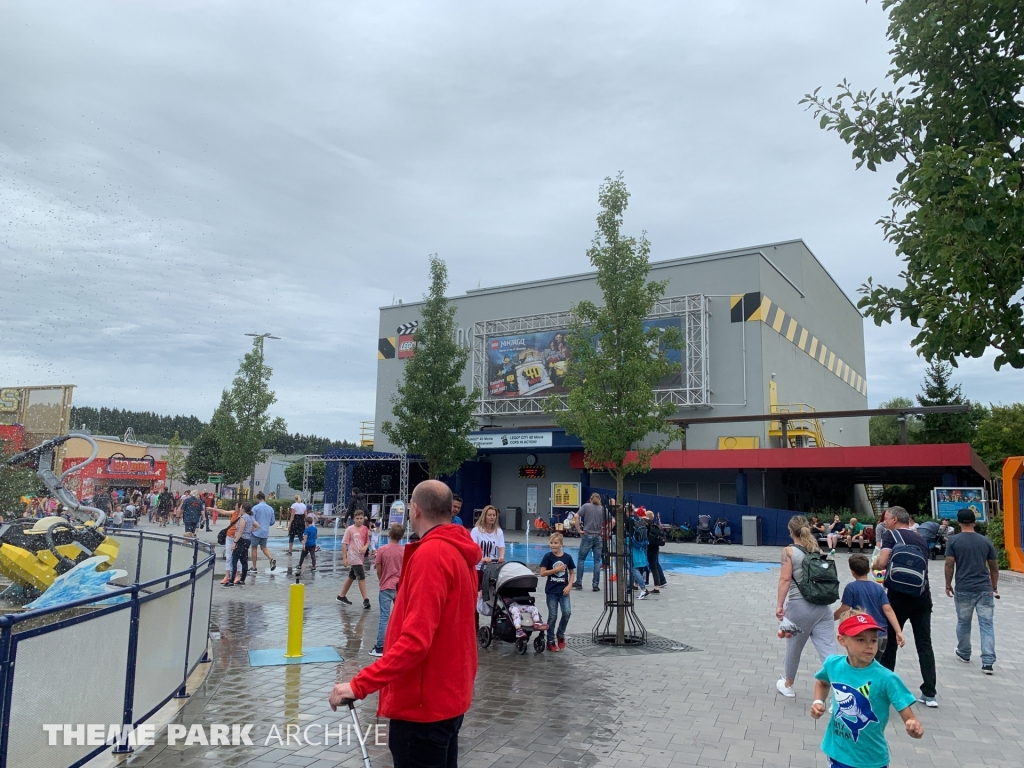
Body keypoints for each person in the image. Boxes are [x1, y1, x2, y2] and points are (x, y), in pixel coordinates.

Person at [329, 480, 480, 768]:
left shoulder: (432, 555)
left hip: (422, 708)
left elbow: (415, 642)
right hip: (448, 698)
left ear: (415, 509)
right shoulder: (461, 554)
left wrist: (360, 684)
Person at [810, 613, 924, 768]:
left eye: (873, 640)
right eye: (860, 639)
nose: (869, 645)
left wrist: (914, 725)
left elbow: (909, 717)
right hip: (837, 752)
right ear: (842, 640)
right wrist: (818, 701)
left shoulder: (887, 678)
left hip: (871, 760)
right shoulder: (833, 664)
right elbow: (823, 682)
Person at [874, 506, 938, 707]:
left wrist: (874, 564)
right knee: (924, 642)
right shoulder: (919, 538)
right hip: (922, 595)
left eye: (886, 518)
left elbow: (883, 562)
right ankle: (929, 693)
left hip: (898, 597)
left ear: (894, 519)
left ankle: (885, 690)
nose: (884, 522)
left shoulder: (890, 535)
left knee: (890, 641)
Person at [775, 515, 837, 698]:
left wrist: (779, 605)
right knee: (829, 651)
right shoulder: (815, 548)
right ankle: (840, 693)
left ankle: (788, 685)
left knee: (793, 648)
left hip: (798, 606)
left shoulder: (788, 551)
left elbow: (785, 579)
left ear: (790, 531)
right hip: (823, 607)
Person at [945, 508, 999, 674]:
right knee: (987, 625)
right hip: (984, 589)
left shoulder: (953, 541)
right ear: (974, 522)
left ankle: (964, 652)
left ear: (959, 522)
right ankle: (988, 661)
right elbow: (994, 567)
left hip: (964, 588)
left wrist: (948, 584)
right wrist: (994, 586)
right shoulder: (985, 541)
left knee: (963, 622)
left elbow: (949, 564)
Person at [833, 554, 905, 657]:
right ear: (868, 569)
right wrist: (898, 631)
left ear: (852, 572)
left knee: (861, 665)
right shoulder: (878, 588)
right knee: (876, 666)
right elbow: (888, 610)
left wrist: (830, 617)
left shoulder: (851, 588)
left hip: (862, 634)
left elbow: (845, 608)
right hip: (880, 634)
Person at [370, 523, 406, 657]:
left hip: (385, 586)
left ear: (389, 534)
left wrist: (382, 580)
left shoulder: (382, 550)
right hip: (400, 587)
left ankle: (380, 646)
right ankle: (399, 643)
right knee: (400, 617)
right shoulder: (404, 550)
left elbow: (378, 569)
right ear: (402, 536)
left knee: (384, 617)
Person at [538, 532, 574, 652]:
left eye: (555, 543)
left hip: (564, 590)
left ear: (561, 544)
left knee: (567, 612)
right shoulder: (548, 557)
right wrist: (556, 570)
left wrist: (569, 585)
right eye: (551, 543)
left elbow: (572, 573)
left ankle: (560, 634)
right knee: (553, 616)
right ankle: (550, 640)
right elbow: (542, 573)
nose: (553, 545)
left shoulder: (567, 557)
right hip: (551, 591)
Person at [336, 510, 371, 609]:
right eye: (357, 519)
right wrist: (344, 558)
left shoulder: (365, 529)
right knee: (361, 577)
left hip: (360, 557)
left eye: (361, 518)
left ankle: (341, 596)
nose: (359, 520)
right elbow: (344, 544)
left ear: (364, 519)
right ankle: (365, 600)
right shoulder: (350, 529)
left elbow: (367, 541)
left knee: (352, 576)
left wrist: (365, 547)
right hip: (353, 556)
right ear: (354, 519)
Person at [572, 493, 605, 592]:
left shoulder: (586, 506)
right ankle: (595, 585)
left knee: (581, 559)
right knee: (597, 561)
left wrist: (579, 530)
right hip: (598, 536)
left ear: (590, 499)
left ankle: (579, 582)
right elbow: (613, 520)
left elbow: (576, 516)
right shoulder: (603, 509)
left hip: (587, 534)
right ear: (600, 500)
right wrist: (605, 530)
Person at [228, 501, 258, 586]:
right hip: (247, 540)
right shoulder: (251, 517)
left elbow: (240, 531)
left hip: (241, 540)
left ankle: (231, 580)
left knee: (234, 559)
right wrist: (249, 531)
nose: (240, 509)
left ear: (243, 509)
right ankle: (242, 579)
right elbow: (258, 526)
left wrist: (235, 542)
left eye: (241, 507)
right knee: (244, 560)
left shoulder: (243, 518)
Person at [250, 492, 277, 572]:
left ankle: (254, 567)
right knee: (263, 547)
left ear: (258, 499)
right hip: (265, 531)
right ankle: (271, 559)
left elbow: (252, 519)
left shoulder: (255, 508)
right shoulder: (270, 508)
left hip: (256, 531)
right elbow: (272, 521)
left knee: (254, 548)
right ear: (264, 498)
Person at [627, 510, 649, 599]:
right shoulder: (640, 520)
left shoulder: (628, 520)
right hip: (639, 545)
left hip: (630, 544)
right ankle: (630, 586)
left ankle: (644, 589)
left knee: (633, 568)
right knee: (634, 567)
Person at [220, 504, 242, 586]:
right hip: (229, 536)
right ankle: (227, 576)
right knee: (228, 557)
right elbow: (223, 511)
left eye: (236, 506)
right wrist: (213, 509)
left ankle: (237, 575)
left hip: (237, 538)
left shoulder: (243, 516)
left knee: (237, 558)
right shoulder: (233, 513)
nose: (234, 507)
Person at [645, 510, 667, 593]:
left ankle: (638, 583)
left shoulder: (646, 525)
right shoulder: (656, 526)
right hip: (655, 547)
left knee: (642, 565)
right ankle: (657, 586)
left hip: (648, 547)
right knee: (654, 567)